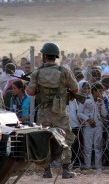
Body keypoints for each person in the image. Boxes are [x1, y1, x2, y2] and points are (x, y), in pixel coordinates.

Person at [26, 42, 79, 179]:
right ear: (56, 56)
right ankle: (66, 170)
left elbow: (30, 92)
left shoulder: (37, 73)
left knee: (44, 139)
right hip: (60, 111)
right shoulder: (64, 71)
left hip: (43, 112)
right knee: (65, 138)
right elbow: (76, 89)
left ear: (44, 55)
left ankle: (46, 170)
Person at [78, 83, 107, 169]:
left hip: (98, 126)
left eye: (102, 91)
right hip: (88, 126)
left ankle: (98, 166)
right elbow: (79, 113)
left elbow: (104, 114)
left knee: (98, 146)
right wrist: (88, 119)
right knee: (88, 147)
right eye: (100, 91)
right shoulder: (85, 99)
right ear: (94, 91)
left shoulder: (100, 101)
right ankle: (88, 166)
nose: (101, 93)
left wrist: (102, 104)